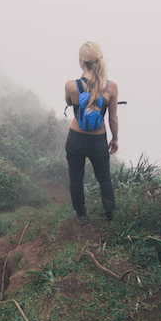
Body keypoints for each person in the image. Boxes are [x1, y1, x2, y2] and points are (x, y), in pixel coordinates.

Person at [64, 42, 118, 225]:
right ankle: (110, 218)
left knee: (76, 178)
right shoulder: (111, 88)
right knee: (104, 179)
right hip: (97, 140)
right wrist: (115, 139)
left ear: (82, 62)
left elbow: (70, 102)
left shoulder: (71, 86)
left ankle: (81, 215)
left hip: (76, 138)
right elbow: (113, 119)